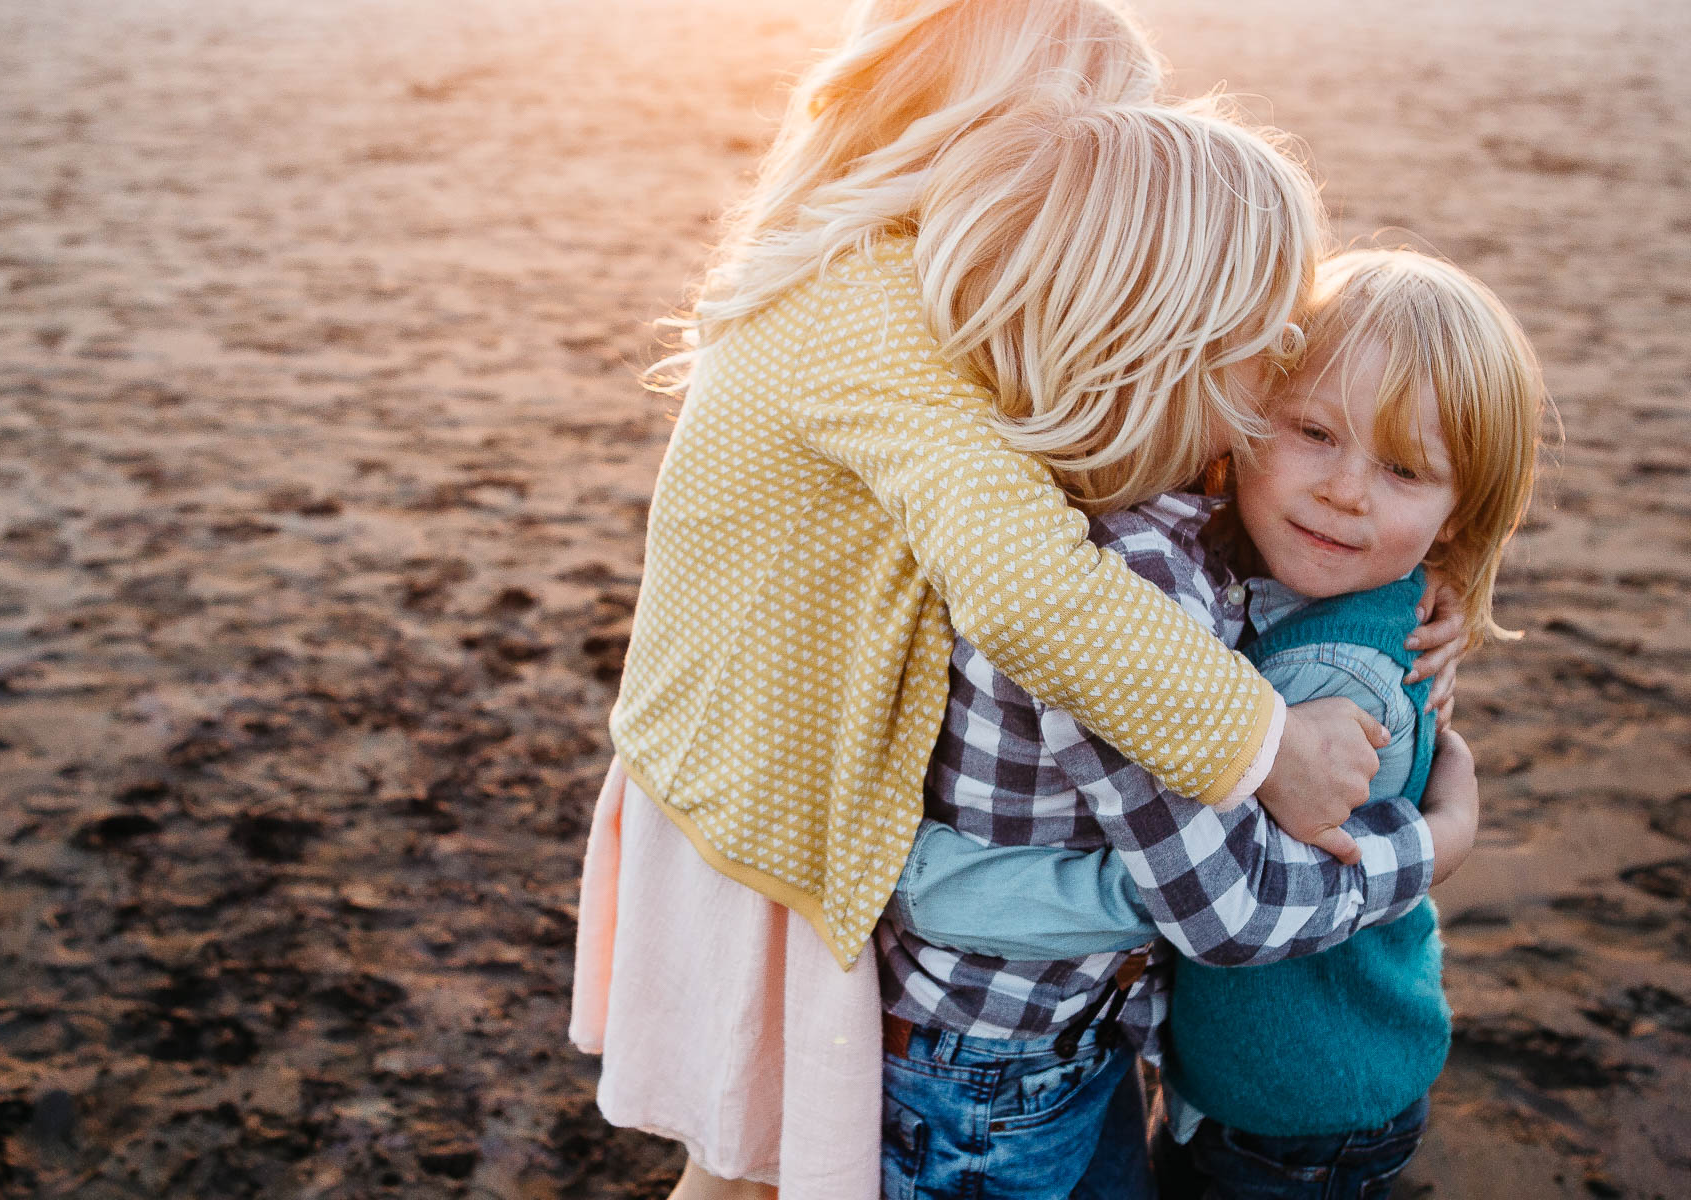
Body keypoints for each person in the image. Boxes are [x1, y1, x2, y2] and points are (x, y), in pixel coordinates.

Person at [568, 4, 1464, 1197]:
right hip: (781, 813)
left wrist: (1407, 580)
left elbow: (1119, 418)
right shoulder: (876, 307)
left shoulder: (883, 278)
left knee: (763, 1167)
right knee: (752, 1169)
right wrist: (1268, 746)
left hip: (749, 773)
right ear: (993, 136)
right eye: (1086, 134)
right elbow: (1038, 589)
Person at [886, 248, 1546, 1199]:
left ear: (1457, 515)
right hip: (1259, 1072)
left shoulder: (1328, 675)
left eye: (1403, 469)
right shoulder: (1277, 573)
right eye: (1314, 431)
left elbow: (1221, 895)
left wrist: (1437, 844)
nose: (1346, 490)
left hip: (1297, 1102)